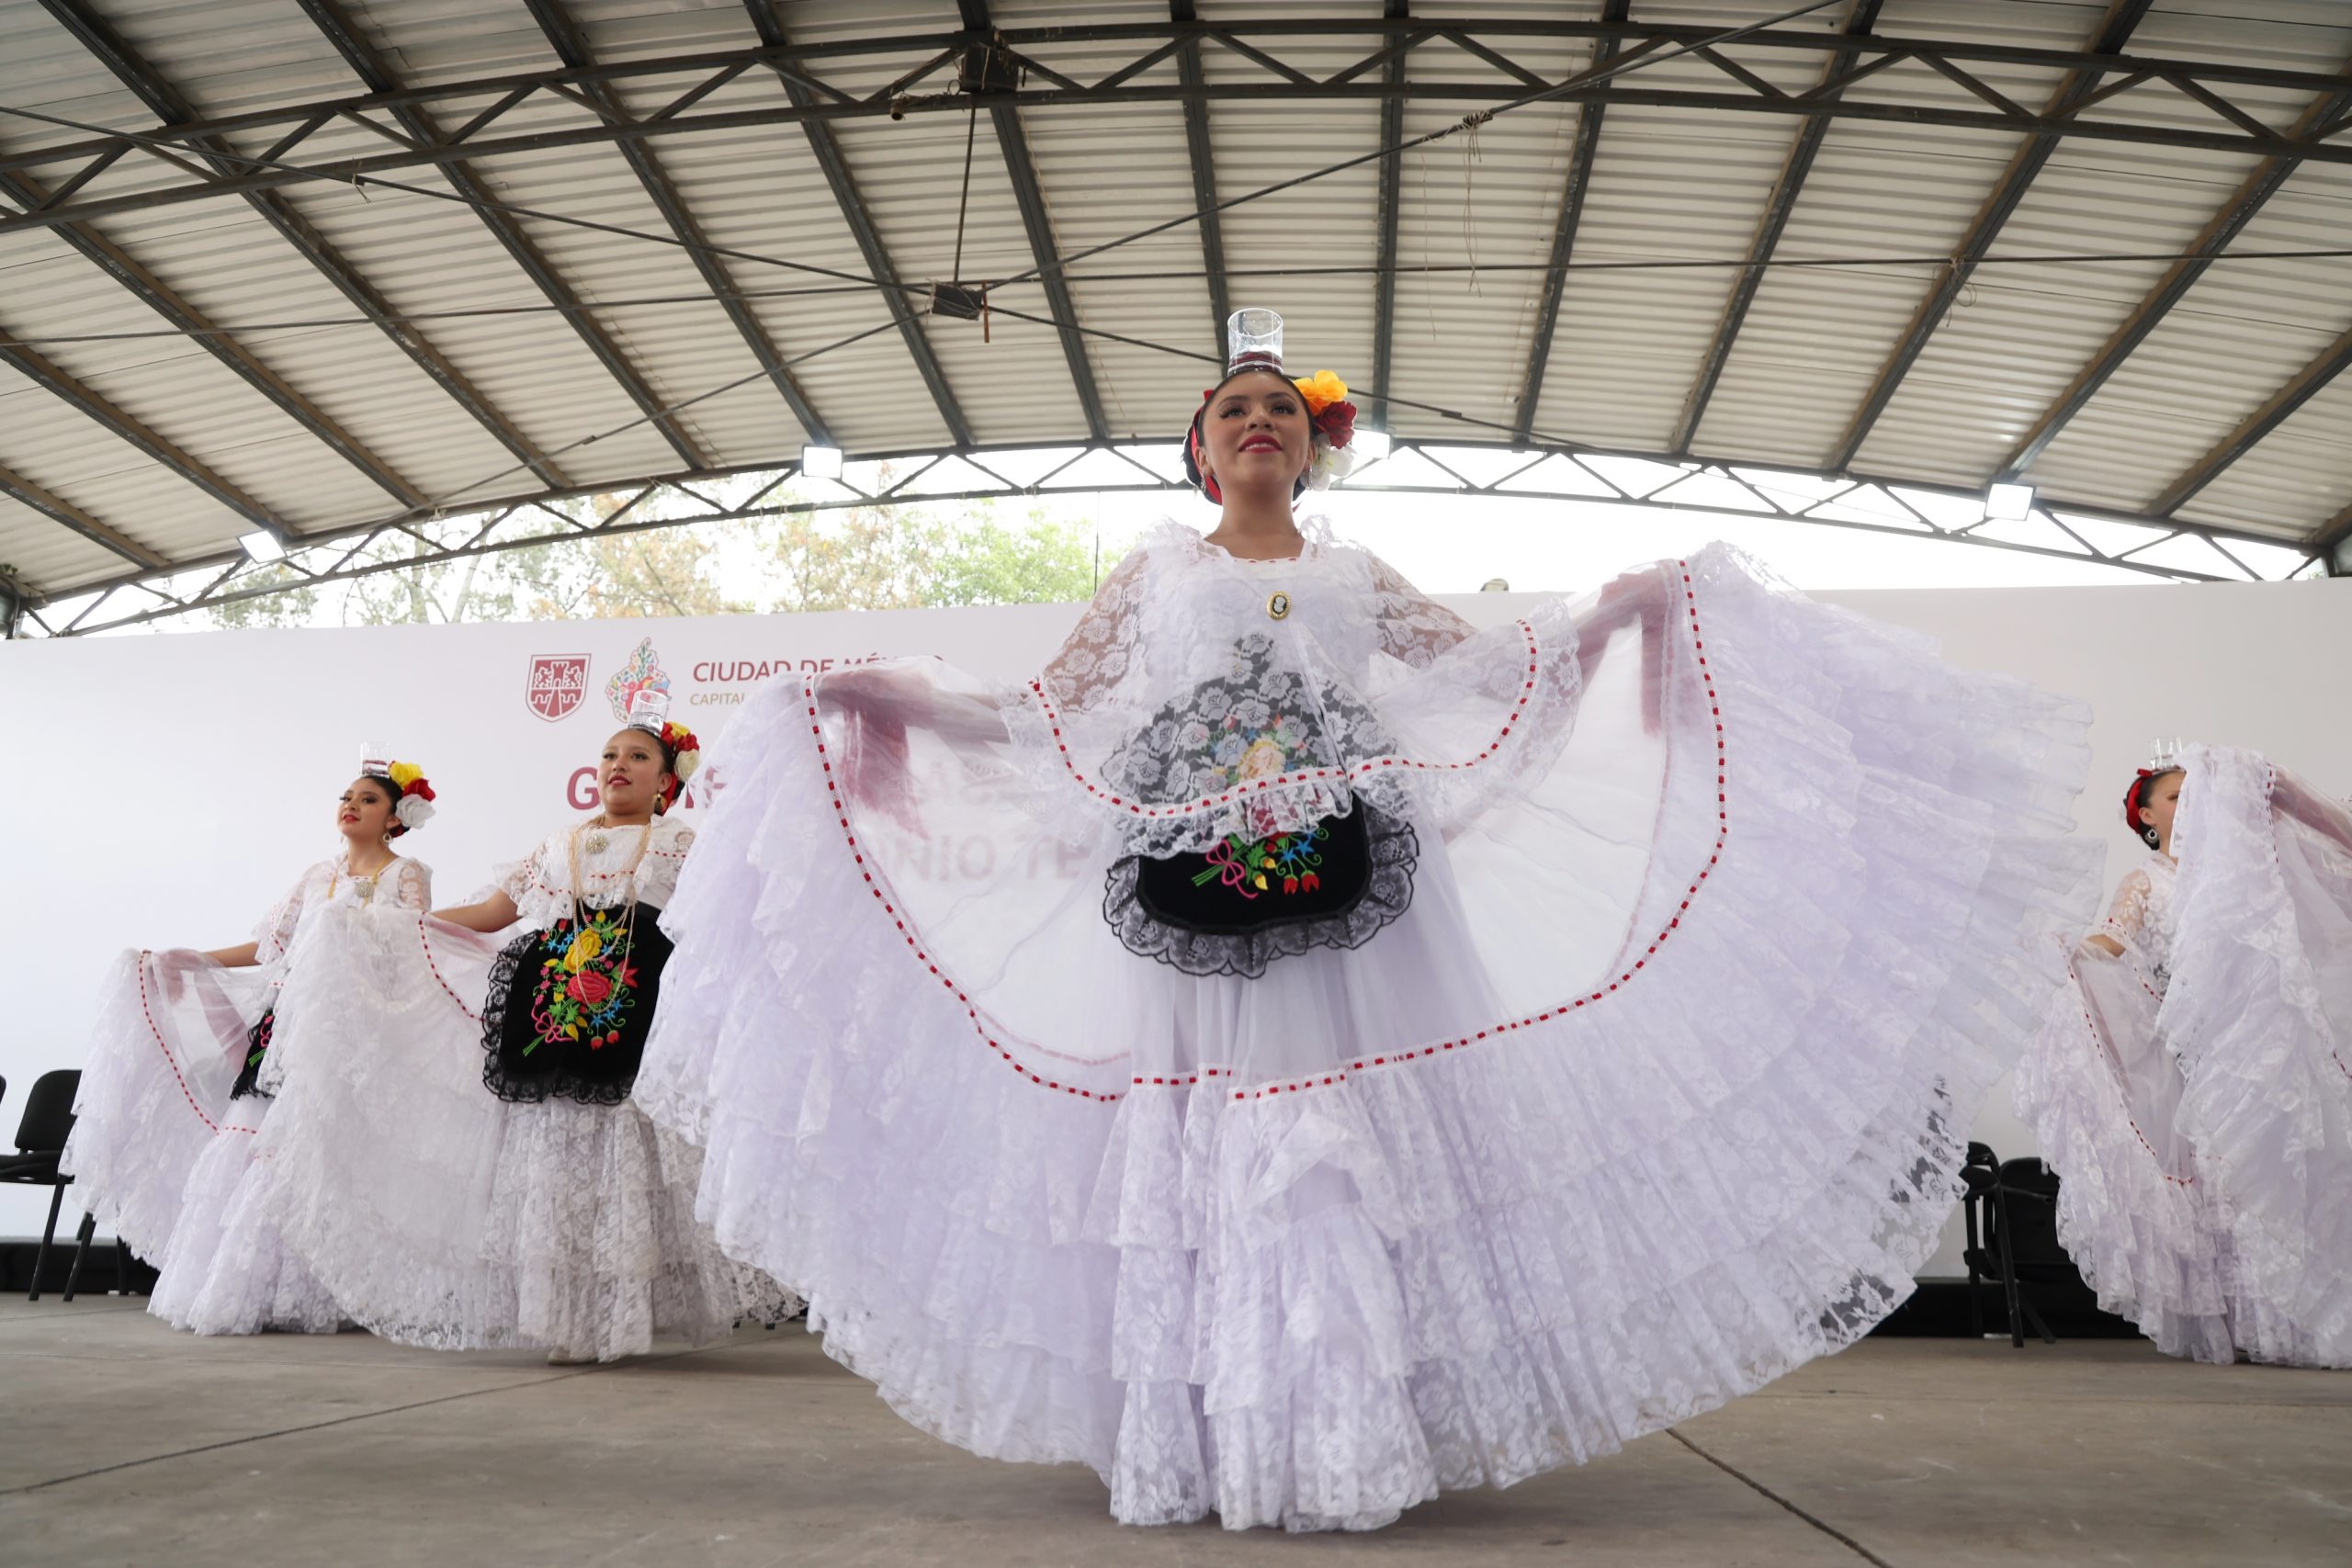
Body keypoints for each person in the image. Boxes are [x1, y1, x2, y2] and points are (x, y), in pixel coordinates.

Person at [642, 310, 2102, 1529]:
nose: (1258, 421)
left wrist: (1618, 618)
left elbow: (1485, 673)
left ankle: (1350, 1424)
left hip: (1365, 894)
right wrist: (888, 700)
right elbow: (1048, 709)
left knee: (1361, 1132)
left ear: (1314, 441)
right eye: (1234, 408)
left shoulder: (1353, 579)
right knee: (1225, 1130)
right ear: (1199, 448)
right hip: (1196, 901)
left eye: (1281, 405)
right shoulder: (1153, 573)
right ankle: (1216, 1432)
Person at [257, 695, 779, 1362]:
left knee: (625, 1148)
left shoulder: (683, 844)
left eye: (637, 757)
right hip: (553, 1009)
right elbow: (492, 911)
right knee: (556, 1153)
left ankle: (618, 1320)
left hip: (638, 1007)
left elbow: (724, 918)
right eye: (610, 755)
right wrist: (399, 924)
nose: (618, 765)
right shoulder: (558, 845)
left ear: (666, 779)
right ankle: (564, 1320)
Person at [63, 755, 437, 1334]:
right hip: (286, 1022)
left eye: (368, 799)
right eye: (347, 795)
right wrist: (194, 959)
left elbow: (408, 953)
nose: (352, 805)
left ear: (395, 818)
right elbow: (269, 947)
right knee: (255, 1144)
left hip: (351, 1028)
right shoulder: (318, 875)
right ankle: (247, 1288)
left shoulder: (405, 875)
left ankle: (331, 1293)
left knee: (324, 1148)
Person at [2018, 744, 2352, 1367]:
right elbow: (2113, 938)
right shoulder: (2149, 882)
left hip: (2255, 1048)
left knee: (2273, 1170)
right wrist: (2071, 949)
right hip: (2199, 1055)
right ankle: (2246, 1323)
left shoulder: (2237, 876)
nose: (2189, 804)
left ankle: (2294, 1318)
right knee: (2227, 1181)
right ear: (2147, 816)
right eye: (2174, 797)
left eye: (2194, 794)